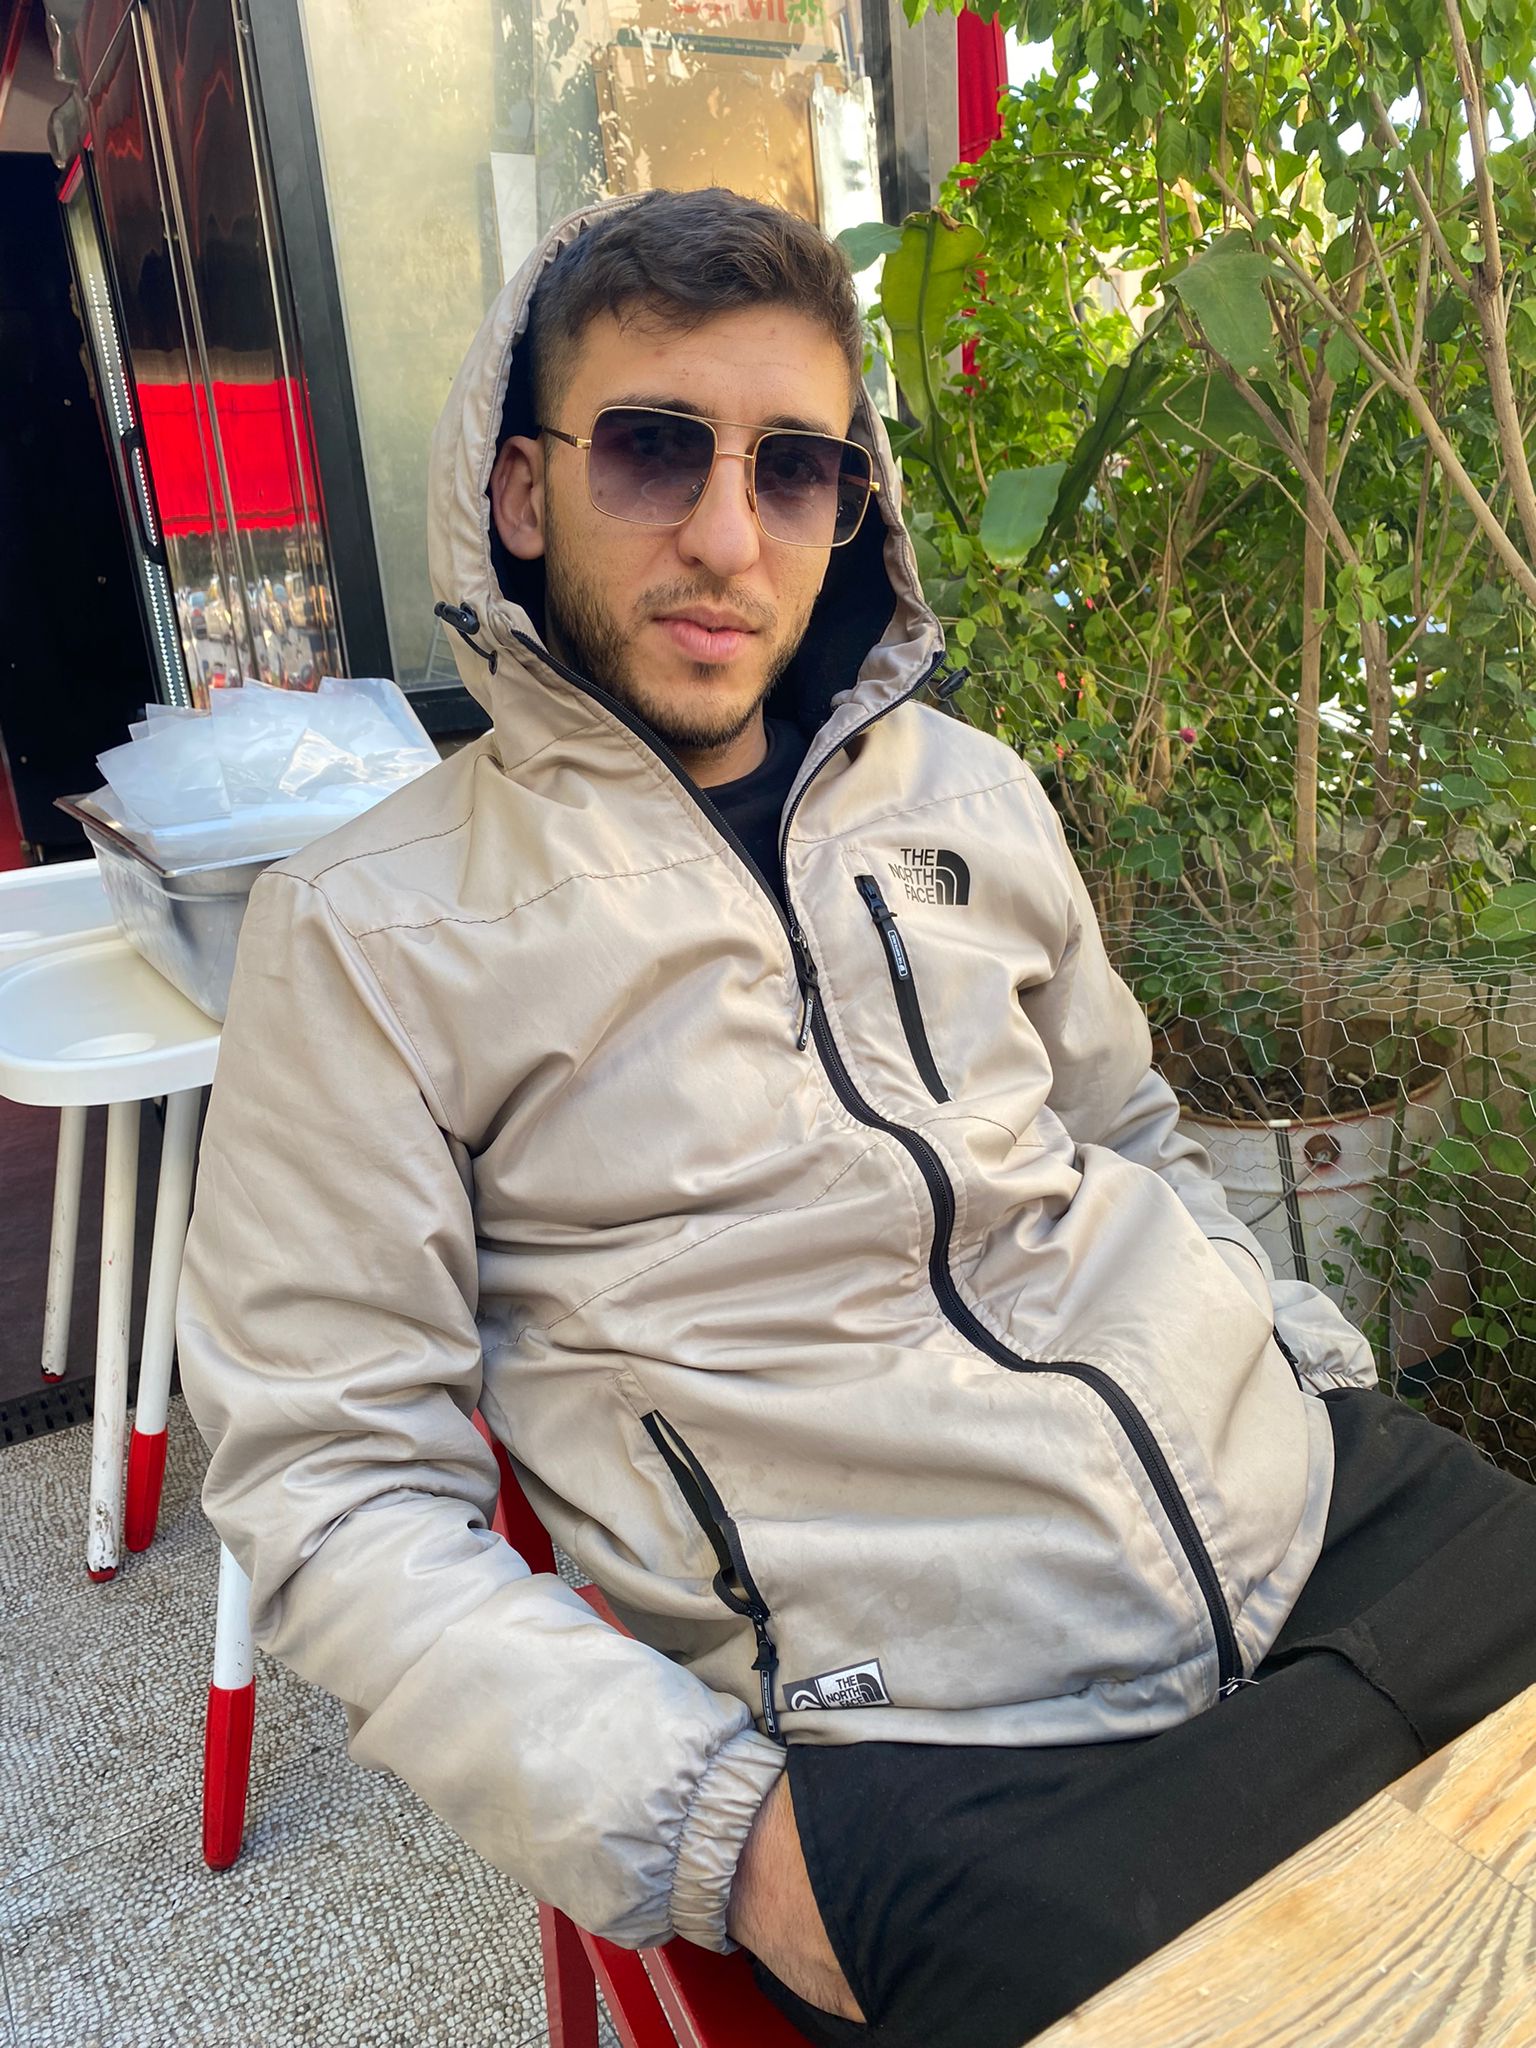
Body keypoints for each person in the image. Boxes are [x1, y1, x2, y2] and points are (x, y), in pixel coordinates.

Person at [178, 188, 1536, 2048]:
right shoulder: (370, 937)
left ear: (847, 507)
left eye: (794, 467)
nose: (727, 536)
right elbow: (334, 1490)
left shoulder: (969, 792)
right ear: (521, 491)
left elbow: (1130, 1130)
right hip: (939, 1733)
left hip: (1317, 1508)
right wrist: (728, 1842)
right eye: (655, 449)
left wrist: (1295, 1360)